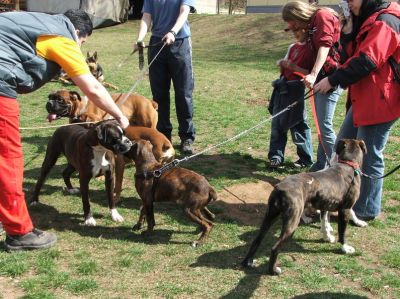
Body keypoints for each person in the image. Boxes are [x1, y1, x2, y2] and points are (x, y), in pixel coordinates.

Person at [0, 9, 130, 251]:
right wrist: (120, 116)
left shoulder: (33, 20)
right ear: (78, 33)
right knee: (8, 161)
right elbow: (92, 88)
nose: (79, 48)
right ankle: (19, 232)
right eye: (82, 43)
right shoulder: (62, 36)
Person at [314, 0, 399, 221]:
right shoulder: (367, 19)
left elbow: (367, 60)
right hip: (364, 97)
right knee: (342, 145)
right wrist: (348, 32)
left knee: (369, 156)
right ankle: (340, 197)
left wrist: (332, 80)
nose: (348, 3)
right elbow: (348, 56)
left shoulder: (387, 19)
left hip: (382, 99)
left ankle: (366, 209)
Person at [282, 1, 343, 171]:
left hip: (330, 79)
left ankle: (338, 169)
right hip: (320, 80)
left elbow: (325, 46)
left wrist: (314, 74)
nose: (291, 26)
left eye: (291, 21)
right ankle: (321, 165)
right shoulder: (309, 28)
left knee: (324, 126)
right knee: (321, 127)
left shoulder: (322, 16)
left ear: (298, 14)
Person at [133, 0, 196, 155]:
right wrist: (140, 39)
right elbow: (147, 17)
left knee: (183, 93)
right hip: (157, 43)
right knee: (159, 94)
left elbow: (184, 12)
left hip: (179, 43)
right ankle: (163, 135)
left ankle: (186, 136)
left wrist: (173, 32)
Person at [267, 27, 314, 169]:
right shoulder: (292, 47)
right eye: (293, 31)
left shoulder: (312, 49)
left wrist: (294, 67)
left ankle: (305, 158)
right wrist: (282, 63)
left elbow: (312, 73)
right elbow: (285, 63)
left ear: (306, 30)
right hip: (283, 89)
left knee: (298, 125)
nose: (295, 33)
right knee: (278, 124)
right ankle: (276, 156)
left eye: (297, 30)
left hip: (296, 90)